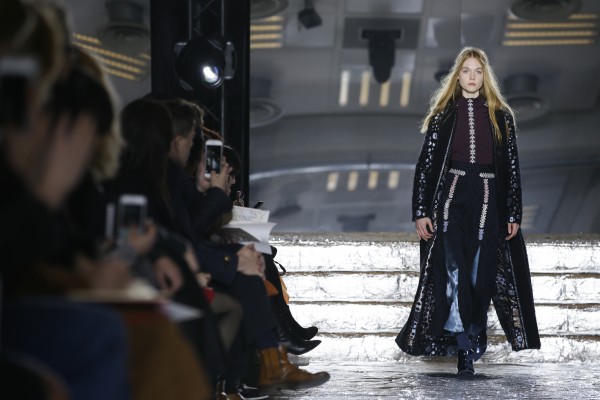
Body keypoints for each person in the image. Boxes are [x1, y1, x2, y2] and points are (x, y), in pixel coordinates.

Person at [395, 47, 540, 376]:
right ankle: (463, 348)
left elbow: (513, 169)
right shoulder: (443, 114)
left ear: (484, 76)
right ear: (457, 75)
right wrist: (420, 210)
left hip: (489, 199)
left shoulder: (501, 116)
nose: (472, 76)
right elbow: (426, 166)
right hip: (452, 198)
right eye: (466, 71)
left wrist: (513, 213)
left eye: (478, 71)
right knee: (454, 271)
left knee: (479, 275)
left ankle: (473, 335)